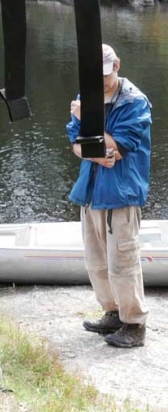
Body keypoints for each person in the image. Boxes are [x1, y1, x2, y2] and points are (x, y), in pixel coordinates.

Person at [67, 43, 152, 348]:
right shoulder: (84, 98)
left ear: (117, 65)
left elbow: (121, 144)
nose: (100, 80)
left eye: (104, 73)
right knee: (97, 261)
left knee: (123, 262)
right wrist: (94, 156)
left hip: (122, 193)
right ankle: (113, 313)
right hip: (91, 191)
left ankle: (135, 324)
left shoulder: (135, 102)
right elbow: (76, 142)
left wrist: (90, 119)